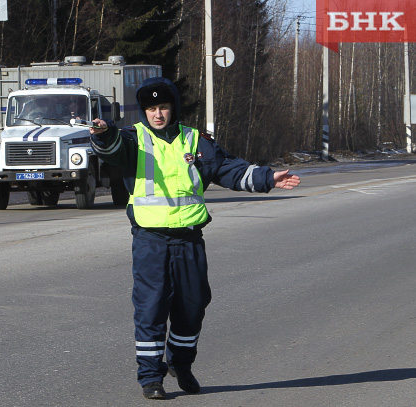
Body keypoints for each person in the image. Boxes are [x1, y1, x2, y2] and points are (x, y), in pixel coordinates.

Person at [89, 77, 300, 400]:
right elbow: (113, 148)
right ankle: (150, 377)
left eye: (162, 107)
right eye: (150, 108)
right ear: (144, 111)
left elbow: (228, 168)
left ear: (173, 109)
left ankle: (180, 363)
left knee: (192, 307)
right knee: (151, 308)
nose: (157, 114)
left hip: (189, 240)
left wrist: (268, 177)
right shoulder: (135, 138)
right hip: (150, 241)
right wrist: (104, 134)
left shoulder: (195, 141)